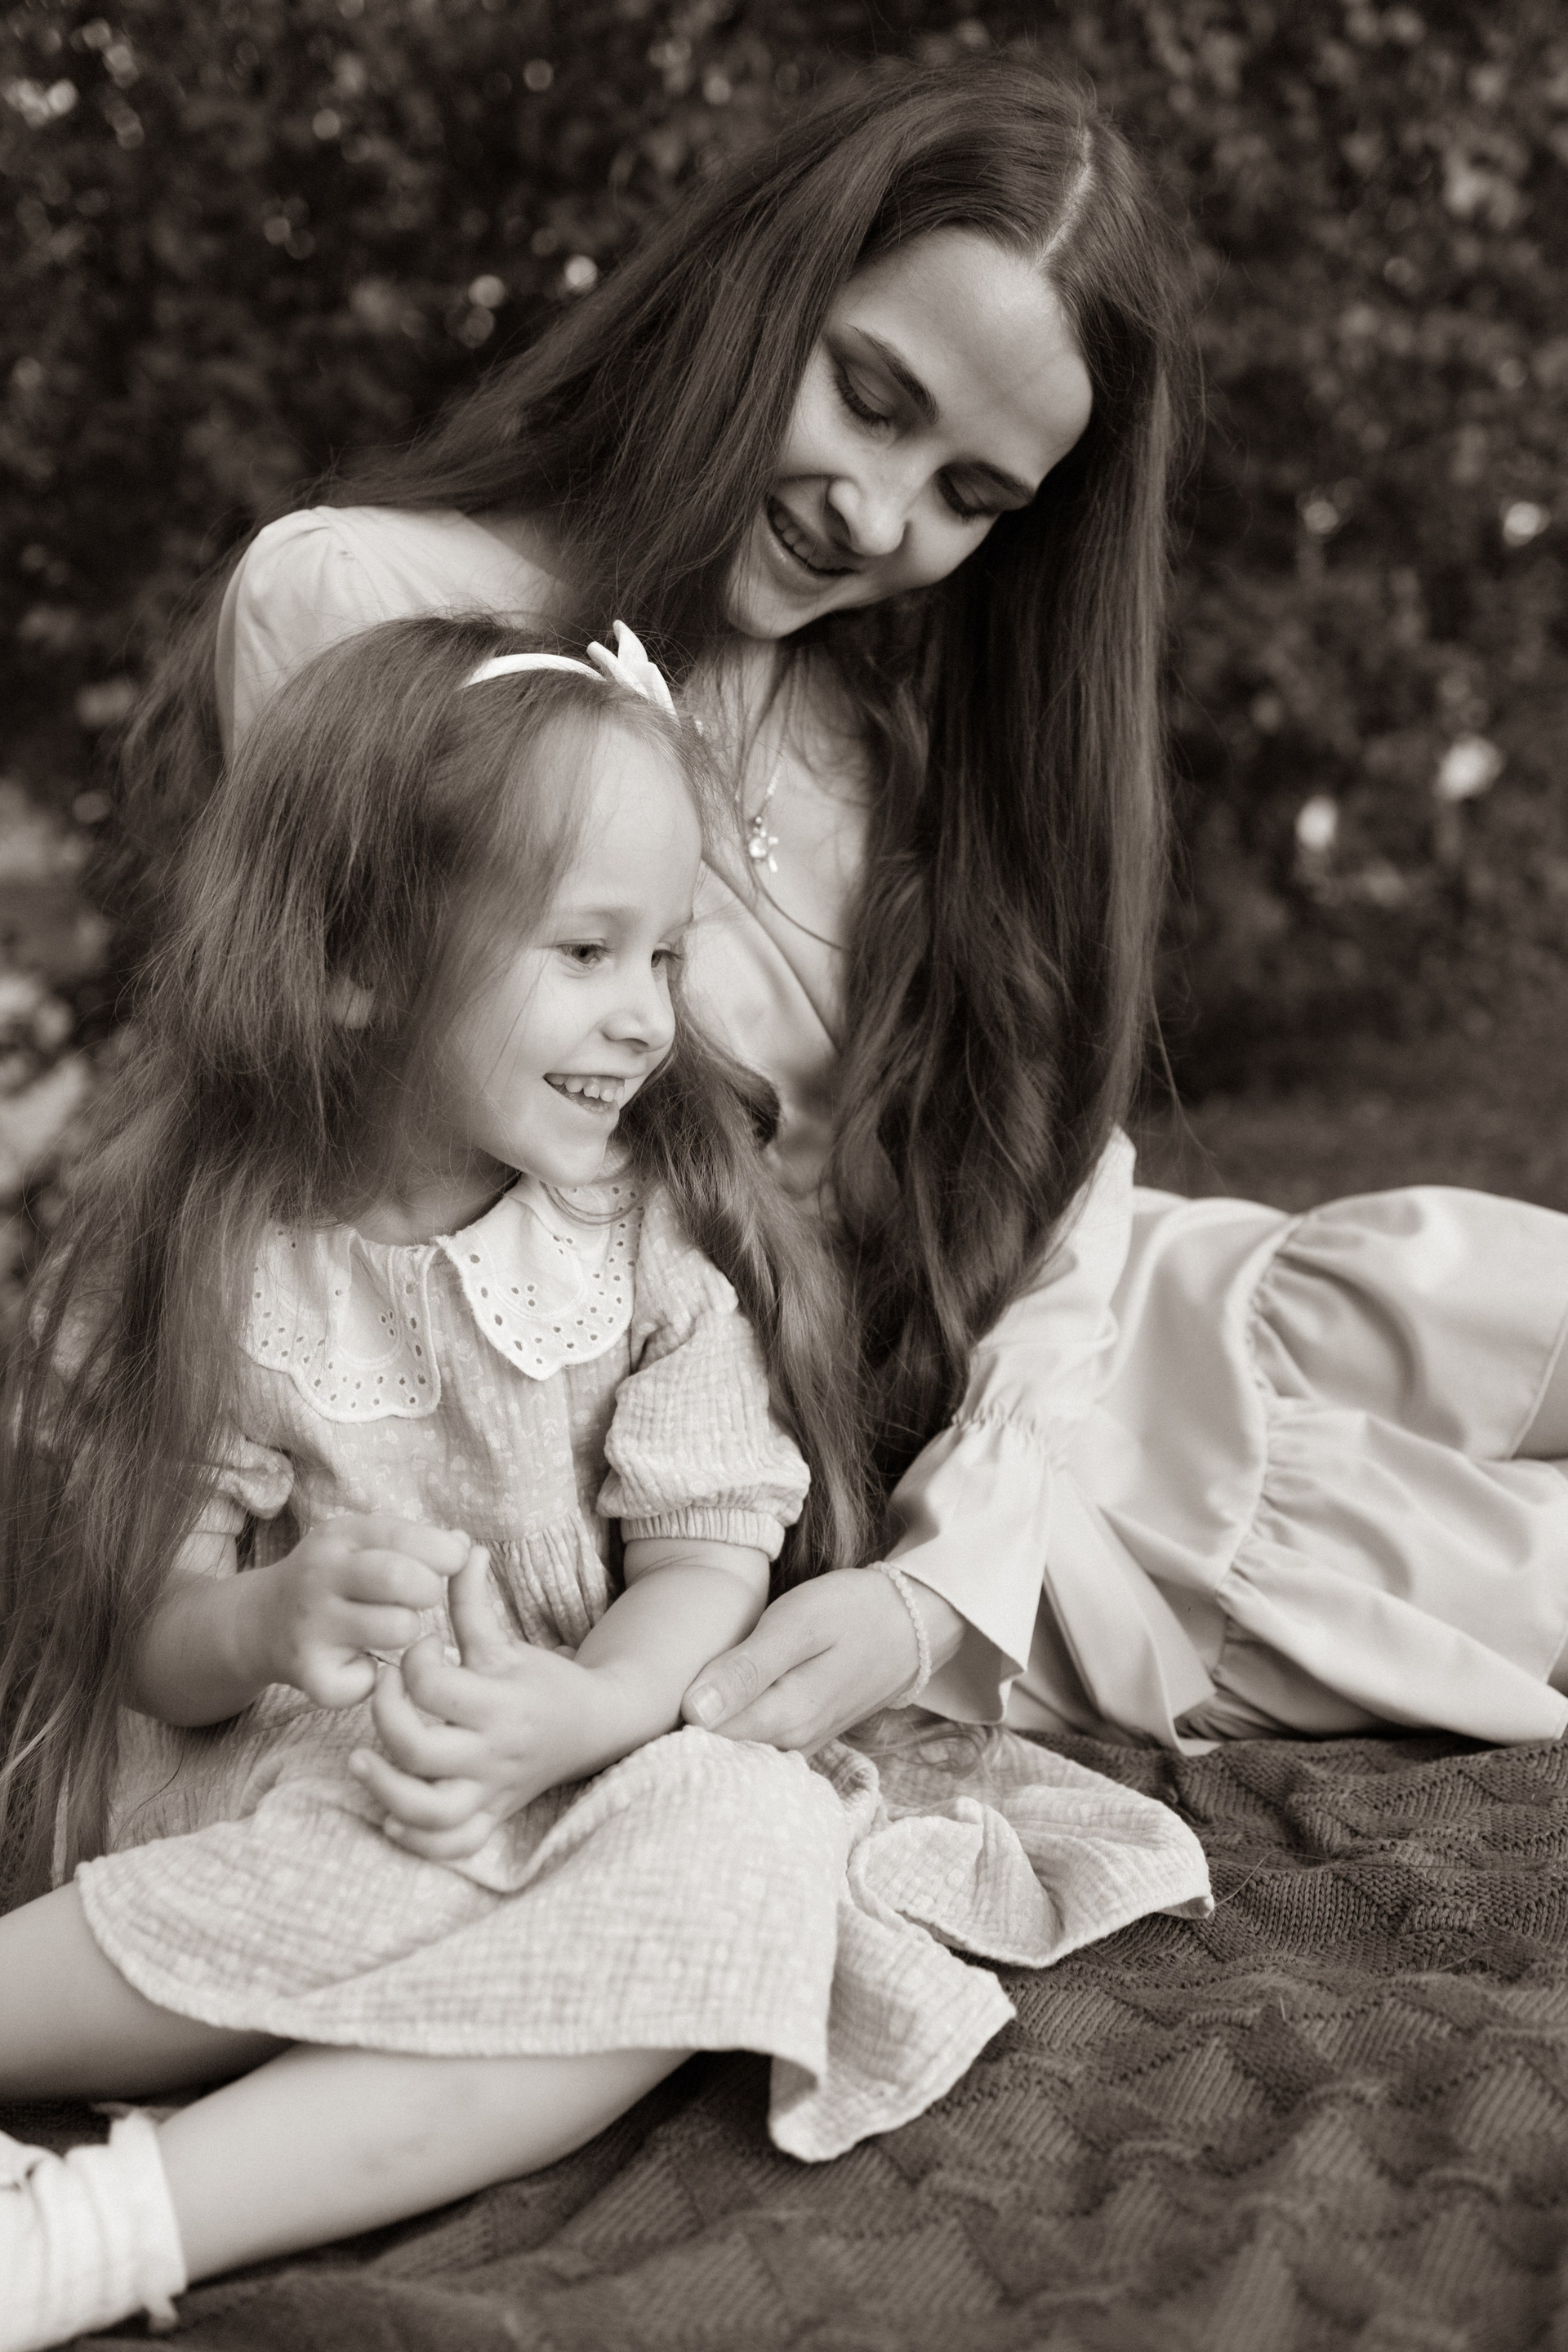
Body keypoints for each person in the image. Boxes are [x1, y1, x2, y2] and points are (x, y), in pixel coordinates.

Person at [122, 56, 1568, 1771]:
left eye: (972, 499)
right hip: (838, 1467)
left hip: (1052, 1361)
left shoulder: (880, 727)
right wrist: (936, 1592)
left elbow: (1055, 1185)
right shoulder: (373, 604)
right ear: (758, 286)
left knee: (1503, 1301)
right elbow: (444, 1201)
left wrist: (956, 1560)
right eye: (871, 400)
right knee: (1496, 1572)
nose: (879, 517)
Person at [0, 614, 1209, 2350]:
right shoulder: (218, 1260)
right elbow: (146, 1642)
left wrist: (597, 1711)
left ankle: (101, 2227)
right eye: (586, 951)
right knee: (401, 1864)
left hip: (592, 1764)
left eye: (668, 954)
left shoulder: (647, 1244)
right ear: (356, 960)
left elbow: (707, 1553)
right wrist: (262, 1618)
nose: (647, 1018)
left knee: (746, 1843)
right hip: (312, 1797)